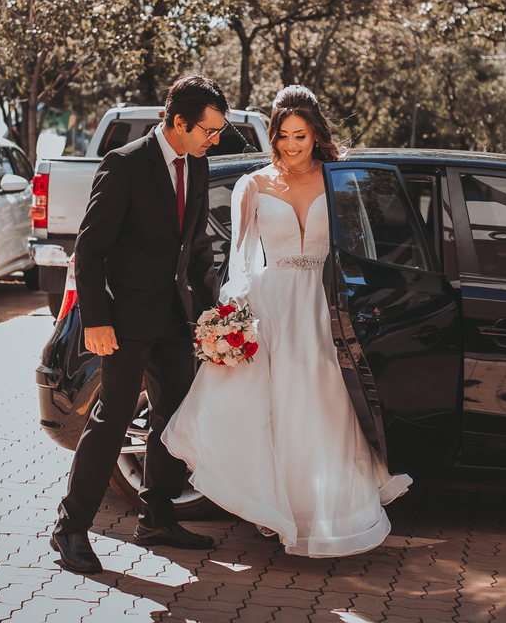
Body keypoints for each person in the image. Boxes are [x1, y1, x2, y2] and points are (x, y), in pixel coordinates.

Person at [163, 85, 411, 558]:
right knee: (271, 414)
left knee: (324, 410)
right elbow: (240, 261)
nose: (292, 145)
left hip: (323, 306)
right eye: (283, 136)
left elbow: (359, 249)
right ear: (272, 136)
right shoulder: (252, 185)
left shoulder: (339, 181)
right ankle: (279, 513)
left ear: (316, 134)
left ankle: (322, 515)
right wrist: (231, 319)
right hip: (271, 307)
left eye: (301, 135)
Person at [50, 75, 227, 574]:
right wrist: (96, 320)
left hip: (175, 318)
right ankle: (70, 528)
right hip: (124, 320)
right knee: (111, 420)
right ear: (179, 122)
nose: (215, 140)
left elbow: (196, 247)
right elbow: (90, 249)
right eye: (209, 130)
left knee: (172, 419)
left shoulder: (198, 164)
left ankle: (157, 517)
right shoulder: (124, 164)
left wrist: (210, 314)